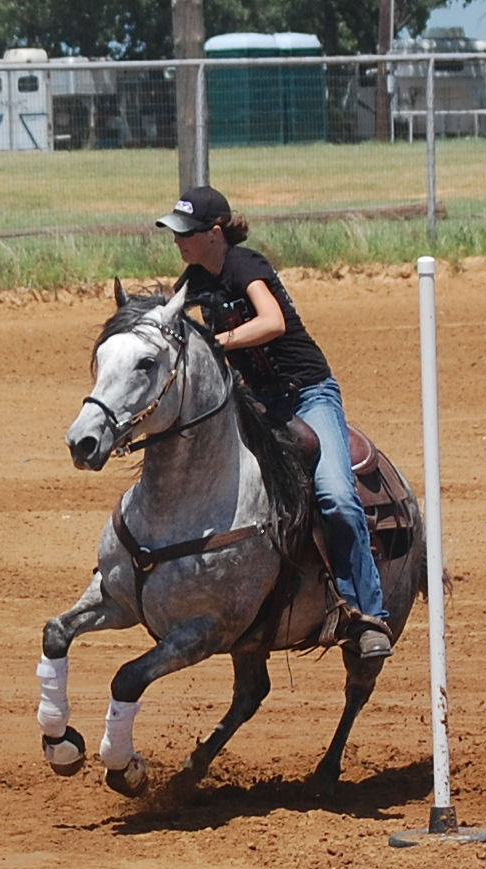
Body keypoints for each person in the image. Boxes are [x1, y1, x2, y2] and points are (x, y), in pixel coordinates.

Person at [156, 185, 391, 660]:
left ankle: (368, 615)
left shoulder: (245, 266)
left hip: (307, 394)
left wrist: (219, 342)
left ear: (215, 234)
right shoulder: (196, 277)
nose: (178, 240)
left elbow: (272, 322)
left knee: (337, 498)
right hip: (256, 400)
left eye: (186, 232)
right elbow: (168, 313)